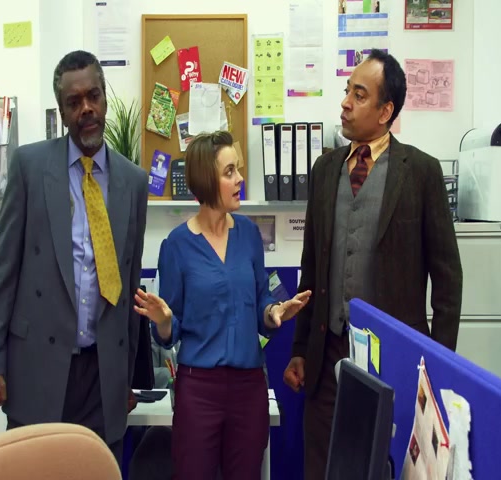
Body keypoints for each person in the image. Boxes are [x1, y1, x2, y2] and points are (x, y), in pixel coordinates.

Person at [283, 49, 462, 479]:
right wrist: (300, 349)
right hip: (328, 355)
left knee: (384, 468)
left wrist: (438, 365)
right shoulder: (325, 169)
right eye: (347, 91)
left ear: (385, 112)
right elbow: (311, 267)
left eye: (359, 95)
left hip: (394, 360)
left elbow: (448, 279)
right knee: (322, 466)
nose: (345, 103)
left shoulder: (420, 172)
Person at [0, 49, 149, 463]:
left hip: (102, 376)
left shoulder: (133, 182)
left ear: (104, 98)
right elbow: (3, 273)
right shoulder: (30, 168)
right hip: (39, 367)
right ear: (63, 111)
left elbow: (128, 287)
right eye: (74, 102)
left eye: (93, 96)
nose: (86, 108)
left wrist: (127, 376)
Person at [133, 130, 312, 480]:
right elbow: (169, 333)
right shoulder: (177, 246)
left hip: (249, 388)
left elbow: (261, 302)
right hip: (198, 390)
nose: (240, 179)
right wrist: (164, 320)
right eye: (230, 171)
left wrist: (273, 312)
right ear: (206, 179)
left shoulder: (249, 235)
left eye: (238, 169)